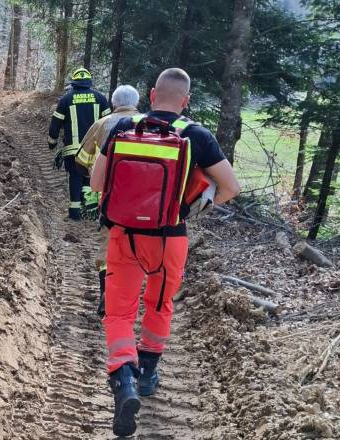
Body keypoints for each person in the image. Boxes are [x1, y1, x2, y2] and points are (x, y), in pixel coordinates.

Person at [90, 68, 240, 437]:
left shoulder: (121, 127)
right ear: (185, 101)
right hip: (170, 238)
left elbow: (96, 183)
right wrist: (193, 206)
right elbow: (230, 188)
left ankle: (124, 380)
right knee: (159, 304)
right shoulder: (196, 135)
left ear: (152, 94)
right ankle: (147, 374)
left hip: (124, 235)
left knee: (119, 313)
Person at [76, 85, 140, 318]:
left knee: (109, 245)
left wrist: (93, 174)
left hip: (113, 196)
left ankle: (107, 295)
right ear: (137, 103)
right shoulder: (151, 123)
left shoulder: (103, 124)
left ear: (114, 103)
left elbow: (82, 159)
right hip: (148, 200)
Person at [48, 67, 111, 220]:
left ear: (73, 83)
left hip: (73, 149)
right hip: (95, 150)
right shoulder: (100, 98)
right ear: (89, 83)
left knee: (75, 177)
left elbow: (55, 124)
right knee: (91, 176)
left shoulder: (66, 99)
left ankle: (75, 213)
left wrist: (52, 142)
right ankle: (91, 211)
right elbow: (110, 123)